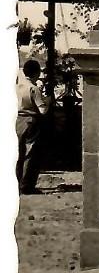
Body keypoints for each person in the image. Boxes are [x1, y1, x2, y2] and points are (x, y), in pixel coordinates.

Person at [16, 59, 48, 195]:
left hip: (15, 120)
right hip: (30, 121)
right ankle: (26, 185)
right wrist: (48, 101)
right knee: (30, 154)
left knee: (17, 154)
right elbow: (43, 111)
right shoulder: (33, 89)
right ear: (36, 73)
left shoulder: (16, 87)